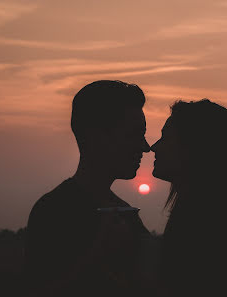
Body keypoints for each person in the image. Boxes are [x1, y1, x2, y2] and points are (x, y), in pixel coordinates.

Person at [23, 80, 151, 297]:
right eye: (134, 134)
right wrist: (99, 253)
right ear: (96, 136)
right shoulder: (53, 212)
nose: (145, 146)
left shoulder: (126, 215)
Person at [151, 99, 227, 297]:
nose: (154, 147)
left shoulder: (200, 223)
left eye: (165, 138)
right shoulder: (220, 216)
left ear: (193, 148)